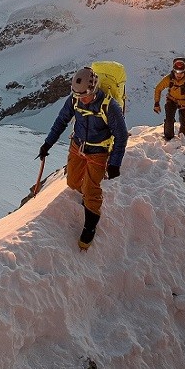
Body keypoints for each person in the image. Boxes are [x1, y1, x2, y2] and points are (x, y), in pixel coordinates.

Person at [38, 67, 128, 249]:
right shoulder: (75, 99)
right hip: (77, 146)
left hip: (98, 151)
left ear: (94, 90)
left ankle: (89, 227)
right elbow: (61, 120)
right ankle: (87, 196)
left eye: (84, 96)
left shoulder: (110, 107)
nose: (81, 100)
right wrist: (48, 143)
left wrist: (114, 163)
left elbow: (121, 136)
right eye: (77, 96)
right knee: (72, 182)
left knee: (91, 189)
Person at [153, 58, 185, 140]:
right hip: (171, 100)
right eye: (176, 72)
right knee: (169, 119)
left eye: (181, 72)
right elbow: (158, 88)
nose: (178, 75)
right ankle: (168, 138)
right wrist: (156, 103)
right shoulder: (169, 79)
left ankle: (184, 139)